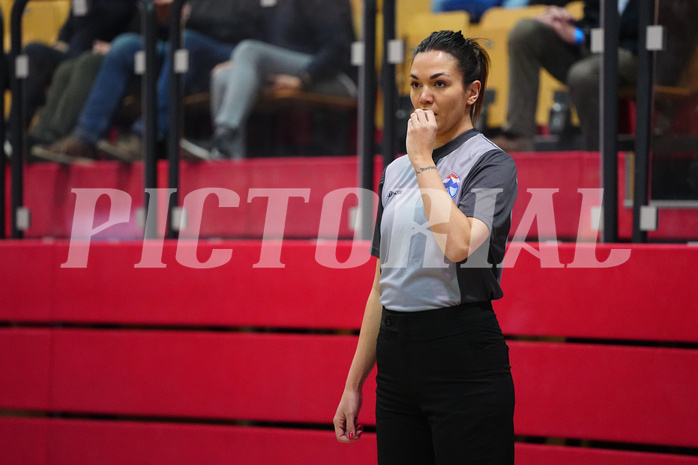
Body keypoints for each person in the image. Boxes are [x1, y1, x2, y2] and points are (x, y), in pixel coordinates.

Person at [333, 30, 517, 464]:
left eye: (439, 83)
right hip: (398, 366)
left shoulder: (492, 164)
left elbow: (458, 246)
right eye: (415, 84)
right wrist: (354, 384)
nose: (423, 97)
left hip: (462, 358)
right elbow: (383, 285)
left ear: (472, 92)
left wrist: (423, 161)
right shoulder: (396, 169)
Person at [32, 0, 269, 163]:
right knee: (125, 46)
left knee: (186, 41)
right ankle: (84, 138)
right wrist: (162, 15)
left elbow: (249, 26)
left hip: (232, 52)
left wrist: (190, 15)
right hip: (184, 43)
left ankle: (146, 137)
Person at [180, 0, 357, 161]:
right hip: (289, 72)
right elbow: (264, 47)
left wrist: (303, 79)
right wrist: (237, 63)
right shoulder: (271, 5)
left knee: (248, 49)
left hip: (333, 77)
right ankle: (229, 156)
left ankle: (223, 136)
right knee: (223, 76)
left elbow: (337, 50)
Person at [492, 0, 639, 152]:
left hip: (636, 52)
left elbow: (634, 32)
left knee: (583, 74)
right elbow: (594, 17)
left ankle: (598, 156)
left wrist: (580, 35)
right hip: (594, 43)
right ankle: (518, 137)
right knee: (525, 31)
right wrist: (557, 12)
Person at [5, 0, 138, 137]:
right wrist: (60, 44)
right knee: (14, 58)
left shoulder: (124, 5)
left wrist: (113, 48)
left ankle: (16, 133)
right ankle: (15, 134)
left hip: (98, 56)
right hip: (71, 54)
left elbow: (133, 34)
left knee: (37, 54)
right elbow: (66, 32)